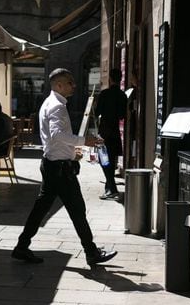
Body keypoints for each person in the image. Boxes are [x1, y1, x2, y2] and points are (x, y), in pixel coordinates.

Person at [12, 68, 117, 266]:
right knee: (77, 210)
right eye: (70, 82)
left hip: (54, 164)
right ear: (59, 85)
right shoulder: (57, 106)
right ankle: (91, 252)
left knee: (42, 209)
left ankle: (21, 246)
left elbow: (55, 139)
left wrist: (71, 152)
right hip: (59, 169)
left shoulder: (51, 102)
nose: (74, 86)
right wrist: (83, 141)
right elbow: (57, 135)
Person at [95, 68, 127, 200]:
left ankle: (111, 188)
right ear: (120, 79)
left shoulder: (104, 94)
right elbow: (122, 115)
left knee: (103, 160)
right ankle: (110, 188)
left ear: (110, 79)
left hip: (104, 131)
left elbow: (96, 113)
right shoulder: (122, 95)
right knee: (111, 160)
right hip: (114, 131)